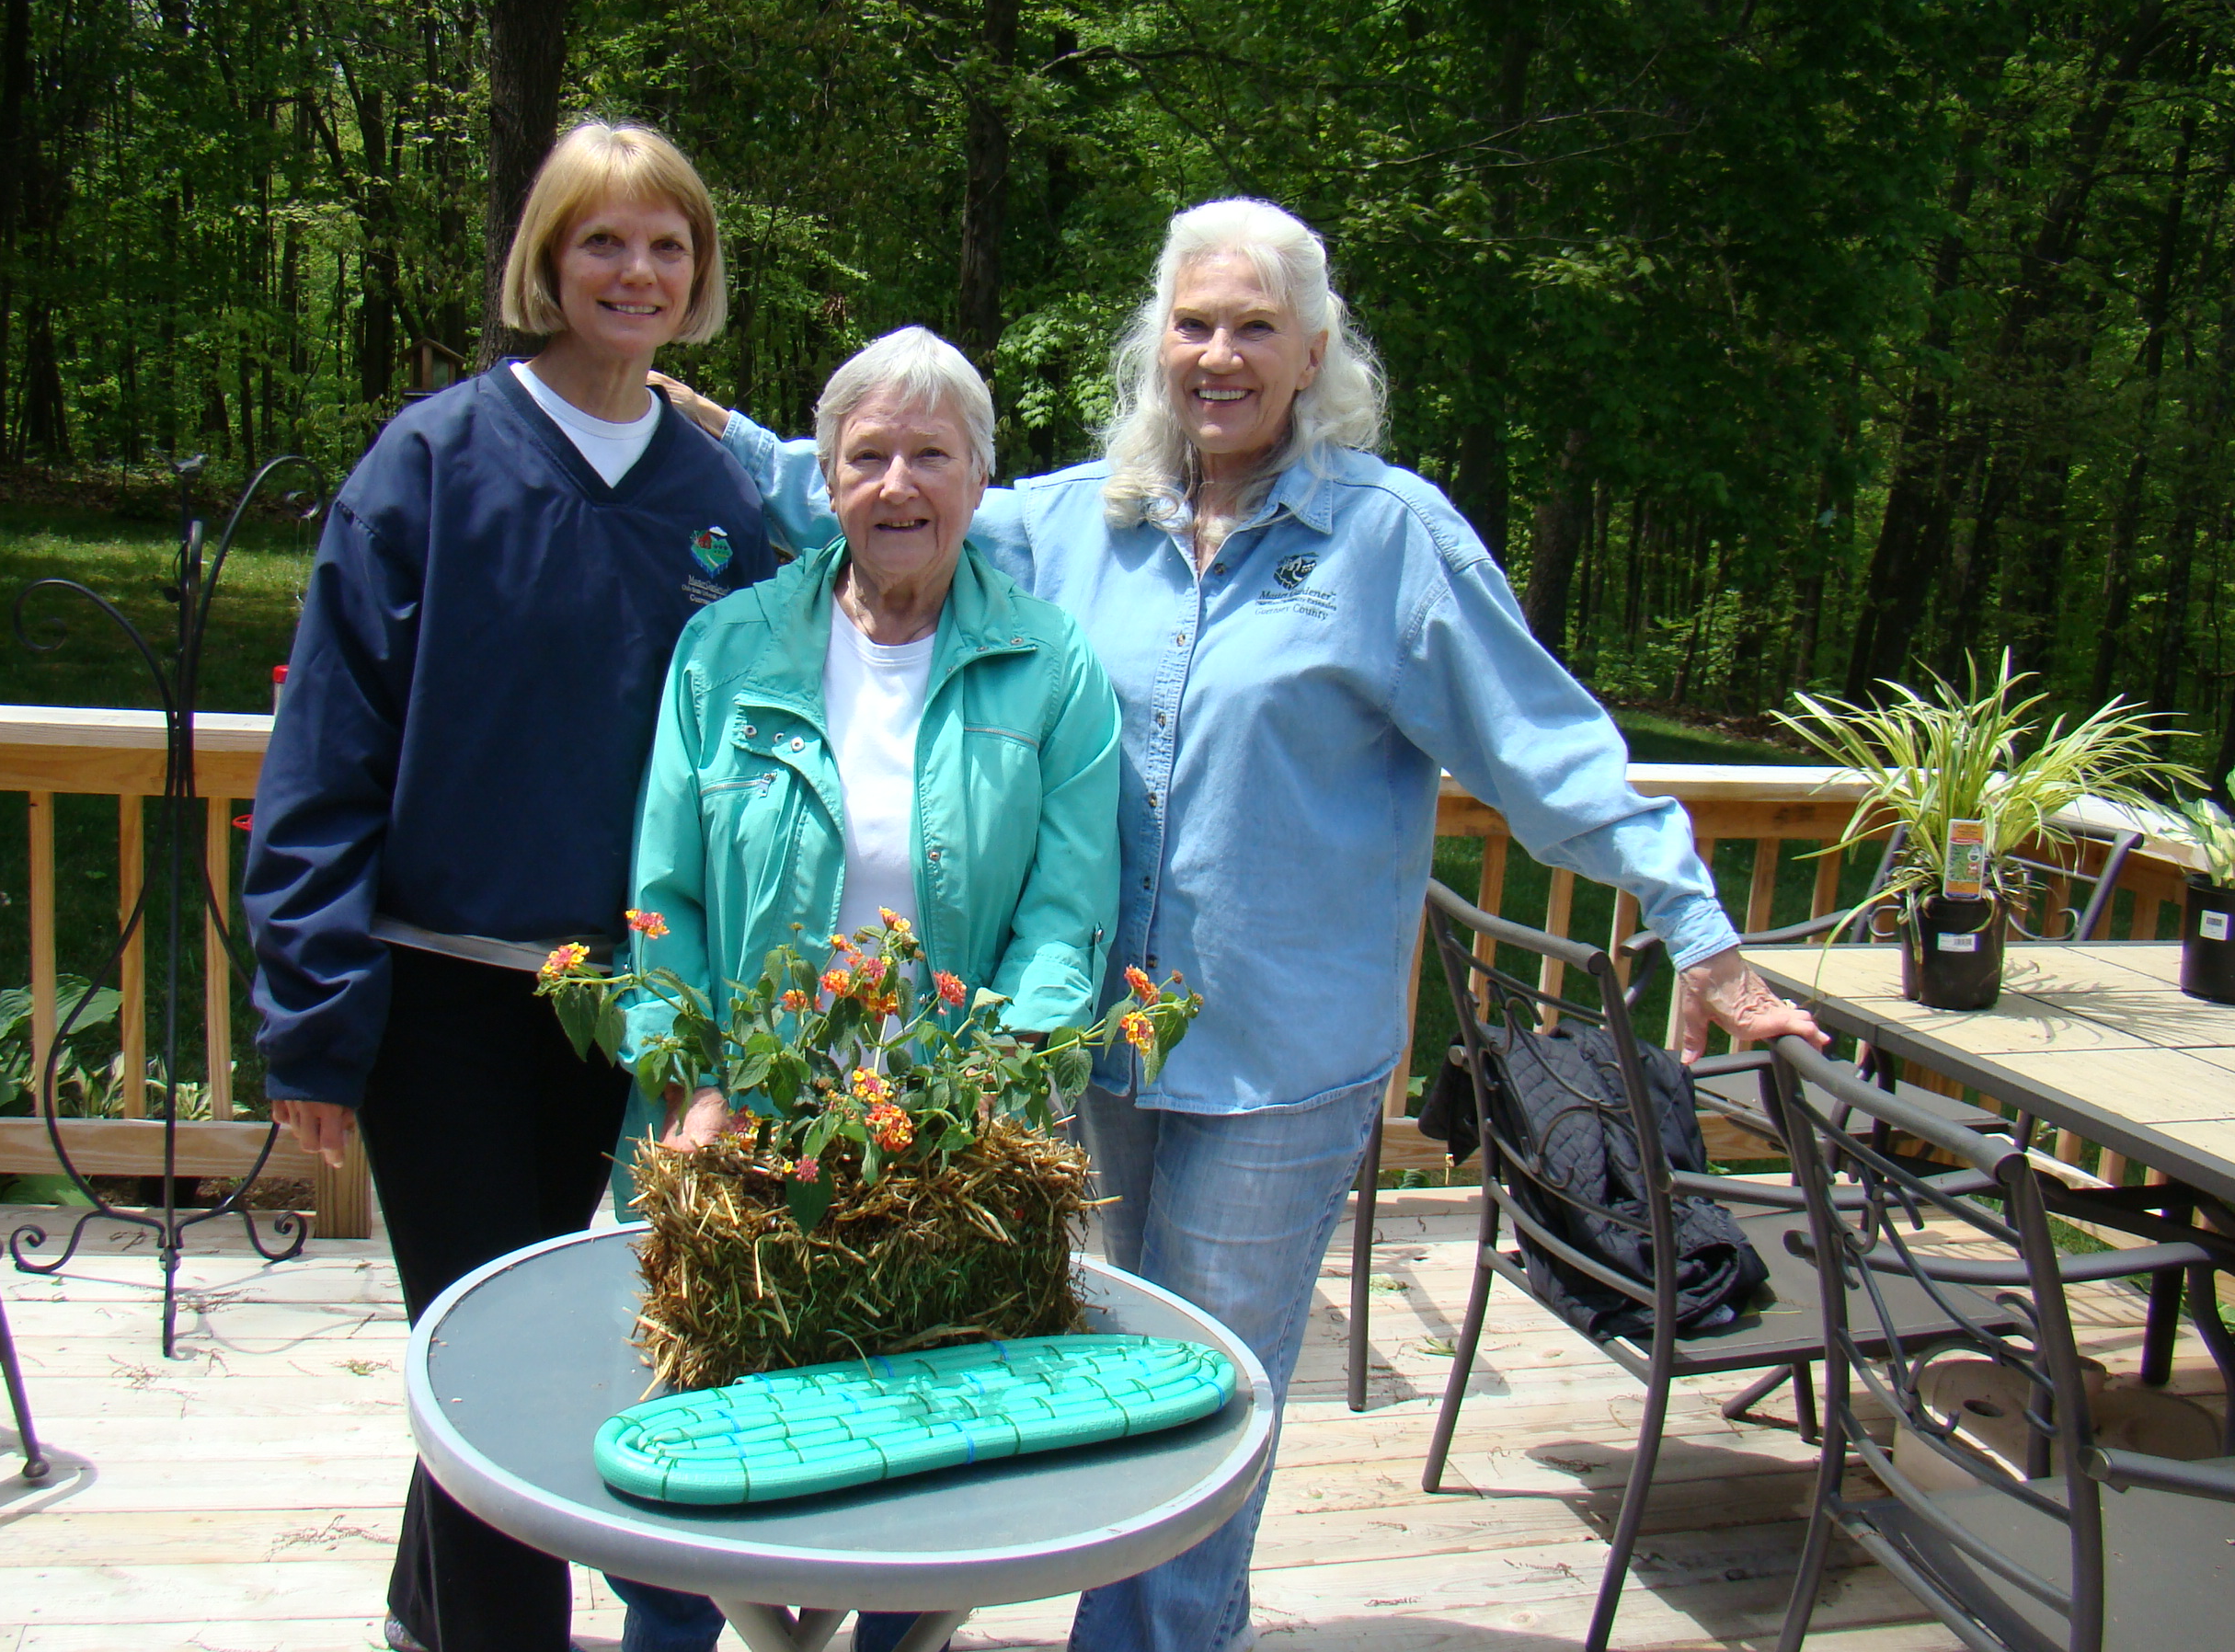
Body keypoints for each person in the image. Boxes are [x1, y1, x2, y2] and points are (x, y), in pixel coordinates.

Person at [656, 198, 1825, 1652]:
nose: (1220, 355)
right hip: (1083, 1054)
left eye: (1255, 327)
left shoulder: (1391, 543)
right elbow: (884, 487)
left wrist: (1697, 928)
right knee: (1083, 1379)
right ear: (1158, 343)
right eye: (1194, 324)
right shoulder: (1083, 520)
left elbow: (1548, 751)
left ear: (1315, 349)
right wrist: (667, 396)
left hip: (1275, 1065)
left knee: (1205, 1407)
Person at [243, 121, 776, 1652]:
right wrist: (317, 1018)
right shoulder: (431, 461)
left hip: (635, 1014)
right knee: (497, 1360)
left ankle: (430, 1617)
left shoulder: (718, 491)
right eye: (603, 241)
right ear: (546, 261)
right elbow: (327, 749)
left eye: (666, 245)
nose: (636, 271)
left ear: (698, 275)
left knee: (537, 1348)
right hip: (447, 998)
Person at [606, 326, 1122, 1652]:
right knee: (692, 1467)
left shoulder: (1051, 666)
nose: (900, 484)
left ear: (978, 481)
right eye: (868, 455)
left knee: (921, 1475)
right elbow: (662, 894)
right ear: (824, 480)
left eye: (932, 456)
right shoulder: (727, 650)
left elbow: (1065, 920)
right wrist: (696, 1079)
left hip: (939, 1143)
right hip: (742, 1128)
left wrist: (981, 1100)